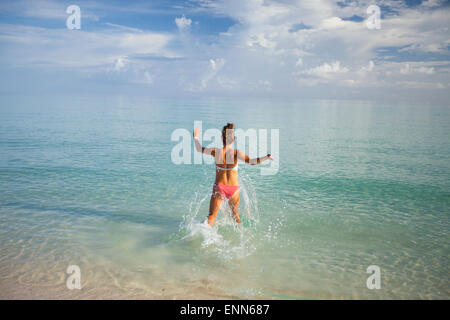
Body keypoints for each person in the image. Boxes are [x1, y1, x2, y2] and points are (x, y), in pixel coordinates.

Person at [193, 123, 273, 226]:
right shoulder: (236, 153)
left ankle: (205, 232)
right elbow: (252, 162)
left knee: (212, 216)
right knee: (235, 214)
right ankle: (242, 233)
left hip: (219, 187)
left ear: (222, 139)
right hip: (234, 189)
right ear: (234, 139)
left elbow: (199, 149)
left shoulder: (216, 151)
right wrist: (266, 157)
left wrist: (195, 137)